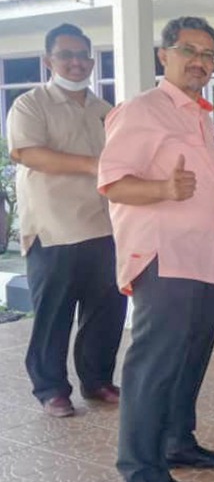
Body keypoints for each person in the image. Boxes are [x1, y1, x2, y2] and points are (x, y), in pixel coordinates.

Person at [99, 17, 214, 482]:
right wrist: (163, 189)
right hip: (164, 256)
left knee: (191, 356)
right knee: (154, 365)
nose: (200, 61)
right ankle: (142, 477)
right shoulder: (143, 110)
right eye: (188, 50)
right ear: (164, 55)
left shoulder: (199, 116)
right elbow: (113, 182)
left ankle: (178, 441)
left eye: (208, 54)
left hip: (203, 256)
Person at [5, 23, 127, 418]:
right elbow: (27, 153)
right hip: (54, 228)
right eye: (66, 55)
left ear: (91, 61)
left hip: (104, 225)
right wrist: (93, 164)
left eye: (82, 56)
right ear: (48, 60)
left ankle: (98, 380)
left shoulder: (104, 110)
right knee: (53, 315)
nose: (76, 63)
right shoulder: (30, 104)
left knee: (106, 311)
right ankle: (51, 389)